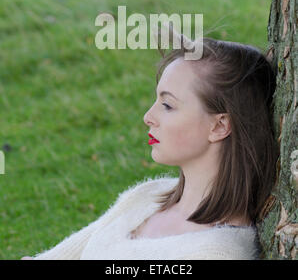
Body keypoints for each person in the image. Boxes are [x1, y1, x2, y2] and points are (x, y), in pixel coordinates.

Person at [21, 36, 278, 260]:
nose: (148, 116)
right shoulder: (149, 195)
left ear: (219, 126)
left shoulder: (218, 252)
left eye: (167, 105)